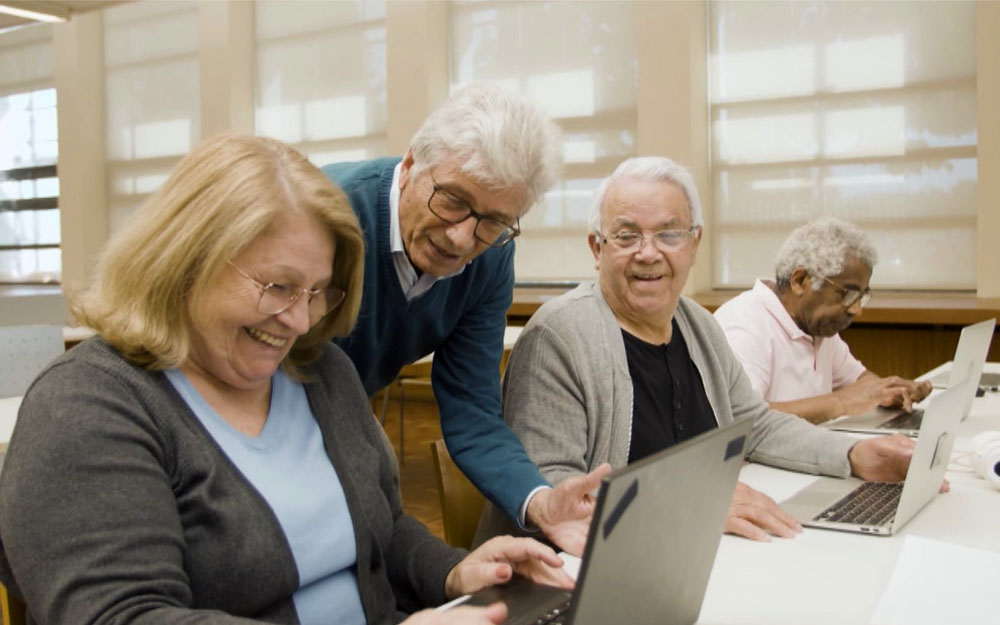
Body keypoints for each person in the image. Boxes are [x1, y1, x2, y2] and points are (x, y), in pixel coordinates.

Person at [0, 134, 573, 625]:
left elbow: (383, 531)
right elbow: (125, 616)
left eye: (318, 292)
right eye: (278, 287)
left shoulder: (319, 371)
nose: (301, 320)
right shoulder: (88, 406)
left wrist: (452, 573)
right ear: (185, 260)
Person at [475, 156, 920, 546]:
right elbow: (555, 493)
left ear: (694, 243)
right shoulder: (559, 337)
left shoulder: (698, 325)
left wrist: (850, 455)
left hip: (687, 553)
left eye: (669, 234)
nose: (648, 254)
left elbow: (756, 425)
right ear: (597, 248)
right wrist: (691, 506)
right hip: (576, 577)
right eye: (626, 236)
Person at [321, 83, 609, 554]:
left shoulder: (491, 258)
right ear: (411, 163)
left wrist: (539, 502)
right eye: (452, 200)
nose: (460, 238)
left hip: (341, 408)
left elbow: (472, 409)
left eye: (492, 221)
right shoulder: (328, 215)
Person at [713, 217, 932, 424]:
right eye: (847, 294)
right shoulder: (745, 326)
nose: (856, 310)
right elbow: (743, 420)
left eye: (861, 296)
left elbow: (861, 383)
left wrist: (891, 392)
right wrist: (840, 402)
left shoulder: (817, 327)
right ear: (799, 281)